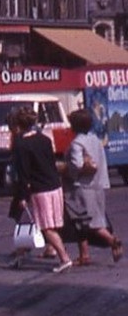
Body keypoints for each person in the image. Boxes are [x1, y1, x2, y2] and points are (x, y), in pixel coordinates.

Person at [8, 107, 72, 272]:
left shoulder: (21, 145)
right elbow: (51, 163)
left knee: (44, 226)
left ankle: (64, 258)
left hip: (40, 190)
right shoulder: (44, 139)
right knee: (37, 223)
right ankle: (20, 256)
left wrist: (22, 196)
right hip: (55, 186)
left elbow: (24, 173)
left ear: (18, 124)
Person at [61, 107, 122, 266]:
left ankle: (112, 240)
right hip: (98, 185)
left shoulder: (77, 143)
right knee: (85, 222)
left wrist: (63, 168)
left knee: (87, 222)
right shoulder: (95, 140)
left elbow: (77, 165)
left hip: (82, 187)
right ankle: (84, 254)